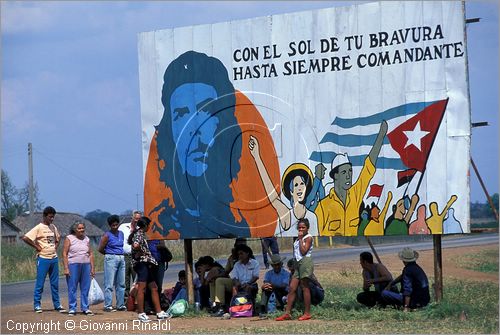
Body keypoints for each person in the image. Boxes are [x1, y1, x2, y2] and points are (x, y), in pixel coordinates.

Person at [143, 50, 279, 240]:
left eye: (206, 110)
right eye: (181, 114)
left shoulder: (240, 224)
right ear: (169, 130)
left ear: (223, 124)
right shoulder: (159, 226)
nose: (194, 128)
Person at [315, 120, 388, 236]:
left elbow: (368, 169)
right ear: (335, 176)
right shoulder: (322, 206)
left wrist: (380, 137)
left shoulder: (355, 195)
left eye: (350, 171)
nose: (349, 176)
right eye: (344, 172)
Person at [249, 137, 319, 235]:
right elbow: (273, 196)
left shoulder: (312, 216)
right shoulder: (287, 215)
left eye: (302, 184)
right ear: (291, 191)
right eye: (296, 185)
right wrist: (257, 157)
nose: (299, 187)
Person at [21, 206, 66, 313]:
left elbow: (58, 238)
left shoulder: (53, 227)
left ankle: (57, 304)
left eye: (53, 217)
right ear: (44, 216)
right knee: (40, 283)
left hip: (54, 258)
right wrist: (37, 247)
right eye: (50, 217)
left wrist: (55, 246)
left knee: (55, 283)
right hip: (43, 258)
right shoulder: (39, 227)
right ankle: (37, 304)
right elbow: (26, 238)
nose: (52, 219)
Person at [128, 217, 169, 322]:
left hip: (147, 264)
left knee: (154, 287)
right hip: (142, 264)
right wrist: (141, 251)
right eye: (149, 225)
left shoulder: (141, 234)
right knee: (142, 288)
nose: (149, 227)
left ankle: (159, 312)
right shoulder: (139, 234)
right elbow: (135, 245)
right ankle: (141, 313)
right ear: (145, 225)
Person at [277, 218, 314, 321]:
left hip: (305, 262)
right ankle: (287, 313)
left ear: (307, 228)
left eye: (303, 227)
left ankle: (307, 313)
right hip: (297, 263)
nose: (301, 229)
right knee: (292, 287)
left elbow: (303, 251)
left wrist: (301, 238)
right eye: (299, 227)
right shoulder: (298, 239)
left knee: (304, 286)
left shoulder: (308, 238)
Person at [62, 222, 95, 316]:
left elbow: (91, 253)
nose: (82, 230)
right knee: (72, 287)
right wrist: (66, 268)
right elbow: (64, 253)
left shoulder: (86, 239)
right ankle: (72, 308)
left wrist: (92, 268)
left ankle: (85, 307)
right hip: (73, 265)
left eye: (83, 228)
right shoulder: (69, 238)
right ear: (75, 229)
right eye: (79, 228)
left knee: (85, 288)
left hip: (86, 265)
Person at [98, 214, 126, 312]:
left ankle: (120, 304)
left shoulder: (121, 233)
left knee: (121, 283)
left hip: (121, 257)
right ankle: (108, 305)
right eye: (113, 225)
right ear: (110, 225)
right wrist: (109, 254)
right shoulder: (107, 235)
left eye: (116, 224)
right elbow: (100, 248)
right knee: (109, 283)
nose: (115, 226)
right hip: (111, 257)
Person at [211, 238, 247, 314]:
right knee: (216, 281)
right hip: (234, 281)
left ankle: (221, 306)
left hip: (245, 281)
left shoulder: (248, 257)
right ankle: (216, 304)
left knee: (220, 281)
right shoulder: (232, 258)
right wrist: (215, 277)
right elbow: (226, 271)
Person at [119, 210, 141, 300]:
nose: (136, 221)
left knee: (136, 279)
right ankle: (125, 301)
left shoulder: (140, 229)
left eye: (138, 219)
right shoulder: (123, 227)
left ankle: (136, 300)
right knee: (124, 279)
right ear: (132, 218)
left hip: (135, 256)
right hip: (124, 255)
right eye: (135, 219)